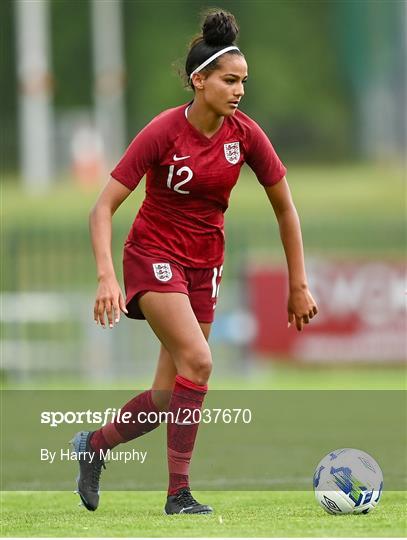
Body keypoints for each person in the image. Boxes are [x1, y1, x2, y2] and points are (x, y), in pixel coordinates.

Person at [71, 9, 318, 515]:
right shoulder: (163, 132)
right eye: (230, 81)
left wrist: (299, 284)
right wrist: (105, 276)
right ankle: (178, 495)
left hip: (204, 266)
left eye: (244, 82)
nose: (239, 91)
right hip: (153, 256)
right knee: (201, 362)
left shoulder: (245, 135)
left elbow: (285, 209)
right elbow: (102, 208)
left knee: (168, 396)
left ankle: (92, 447)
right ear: (198, 80)